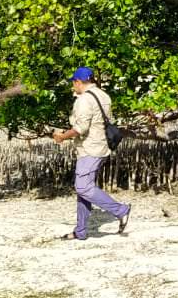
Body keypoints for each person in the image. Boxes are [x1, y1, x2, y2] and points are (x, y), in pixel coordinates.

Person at [52, 66, 131, 240]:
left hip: (90, 149)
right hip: (101, 147)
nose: (73, 86)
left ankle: (120, 210)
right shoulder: (103, 95)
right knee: (84, 189)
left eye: (74, 83)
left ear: (78, 82)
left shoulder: (84, 100)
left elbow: (80, 128)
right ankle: (80, 231)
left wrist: (61, 137)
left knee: (82, 187)